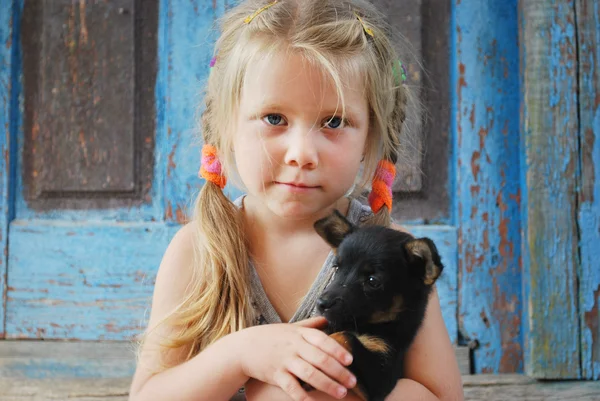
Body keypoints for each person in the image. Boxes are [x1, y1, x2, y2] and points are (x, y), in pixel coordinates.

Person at [128, 1, 463, 400]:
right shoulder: (198, 250)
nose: (301, 153)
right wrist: (237, 356)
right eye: (274, 119)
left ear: (371, 139)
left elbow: (439, 393)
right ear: (226, 127)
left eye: (334, 122)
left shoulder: (395, 256)